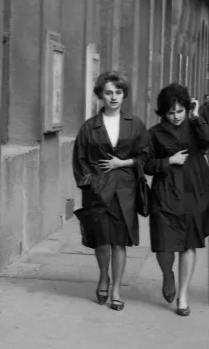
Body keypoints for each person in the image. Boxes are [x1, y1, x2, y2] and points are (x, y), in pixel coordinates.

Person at [72, 71, 150, 311]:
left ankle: (116, 288)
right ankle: (103, 276)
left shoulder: (135, 124)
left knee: (119, 242)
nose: (113, 97)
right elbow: (79, 160)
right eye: (108, 92)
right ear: (100, 96)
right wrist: (91, 185)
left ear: (123, 94)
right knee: (102, 241)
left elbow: (146, 155)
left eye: (118, 92)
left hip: (124, 190)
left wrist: (123, 163)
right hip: (98, 193)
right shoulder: (89, 127)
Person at [144, 83, 209, 316]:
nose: (176, 116)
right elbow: (146, 165)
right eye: (171, 112)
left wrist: (196, 115)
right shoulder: (154, 133)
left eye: (180, 111)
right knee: (164, 244)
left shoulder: (194, 126)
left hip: (194, 190)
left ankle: (182, 296)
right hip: (166, 192)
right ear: (163, 112)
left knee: (189, 243)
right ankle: (168, 274)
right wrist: (168, 161)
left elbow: (207, 142)